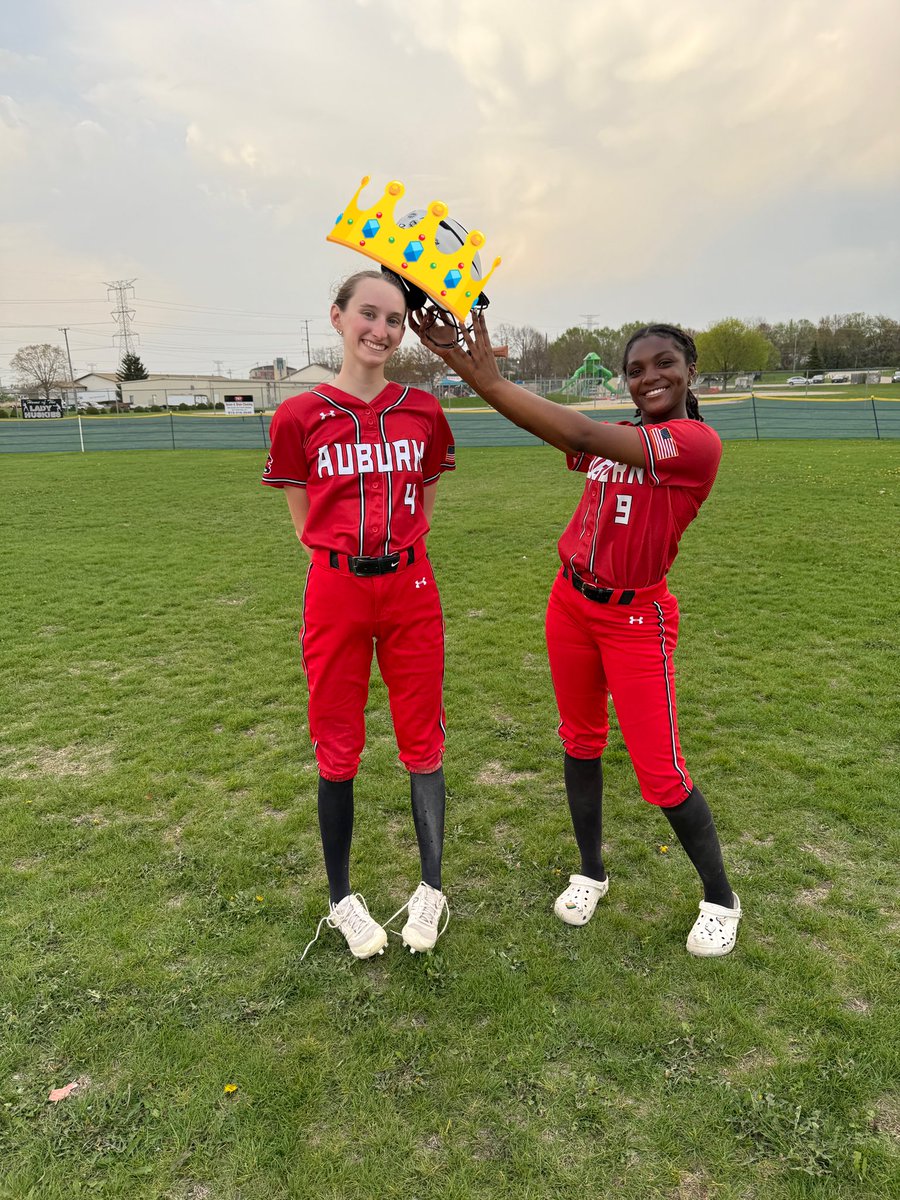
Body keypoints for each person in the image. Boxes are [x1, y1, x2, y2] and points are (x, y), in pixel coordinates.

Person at [412, 311, 741, 956]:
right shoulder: (618, 434)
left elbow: (577, 428)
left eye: (664, 364)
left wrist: (486, 376)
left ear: (690, 371)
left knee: (661, 772)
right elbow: (549, 425)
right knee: (580, 742)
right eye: (637, 368)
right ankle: (591, 871)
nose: (650, 377)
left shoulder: (696, 443)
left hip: (634, 618)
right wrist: (465, 365)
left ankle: (721, 899)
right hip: (571, 604)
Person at [262, 269, 455, 959]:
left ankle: (430, 890)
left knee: (421, 740)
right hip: (337, 590)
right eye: (368, 314)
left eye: (393, 320)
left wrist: (396, 551)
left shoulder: (423, 410)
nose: (380, 330)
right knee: (337, 746)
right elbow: (302, 516)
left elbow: (425, 502)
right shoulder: (298, 414)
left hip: (409, 589)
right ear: (338, 317)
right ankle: (342, 899)